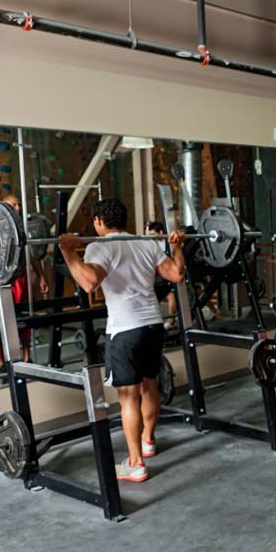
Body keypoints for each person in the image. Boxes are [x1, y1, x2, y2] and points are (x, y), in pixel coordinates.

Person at [59, 199, 186, 482]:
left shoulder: (99, 246)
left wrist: (68, 252)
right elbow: (177, 274)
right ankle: (148, 442)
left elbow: (89, 282)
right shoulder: (146, 243)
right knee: (150, 385)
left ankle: (135, 463)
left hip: (126, 329)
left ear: (99, 222)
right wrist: (176, 247)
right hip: (153, 324)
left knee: (128, 397)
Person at [0, 194, 49, 364]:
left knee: (23, 321)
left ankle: (25, 359)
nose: (17, 208)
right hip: (0, 278)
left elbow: (32, 256)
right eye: (13, 205)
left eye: (18, 205)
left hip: (20, 279)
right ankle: (0, 362)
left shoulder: (24, 226)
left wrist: (41, 277)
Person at [145, 220, 179, 330]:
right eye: (149, 235)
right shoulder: (153, 244)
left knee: (171, 295)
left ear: (160, 232)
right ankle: (151, 322)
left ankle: (171, 322)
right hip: (159, 276)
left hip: (171, 274)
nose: (151, 237)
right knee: (154, 296)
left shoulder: (169, 242)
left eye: (153, 234)